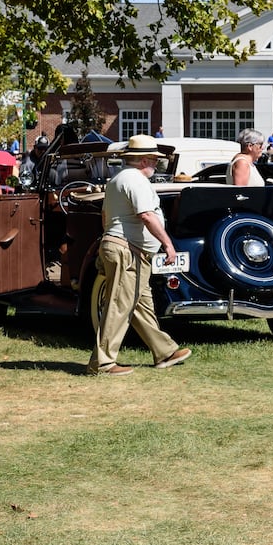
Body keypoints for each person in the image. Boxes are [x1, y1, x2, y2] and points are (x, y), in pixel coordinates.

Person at [87, 135, 190, 375]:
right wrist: (168, 244)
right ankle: (102, 362)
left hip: (126, 249)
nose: (157, 164)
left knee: (141, 305)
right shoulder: (136, 180)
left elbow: (105, 217)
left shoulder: (118, 179)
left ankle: (164, 351)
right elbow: (146, 215)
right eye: (155, 160)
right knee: (119, 306)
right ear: (144, 160)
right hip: (128, 250)